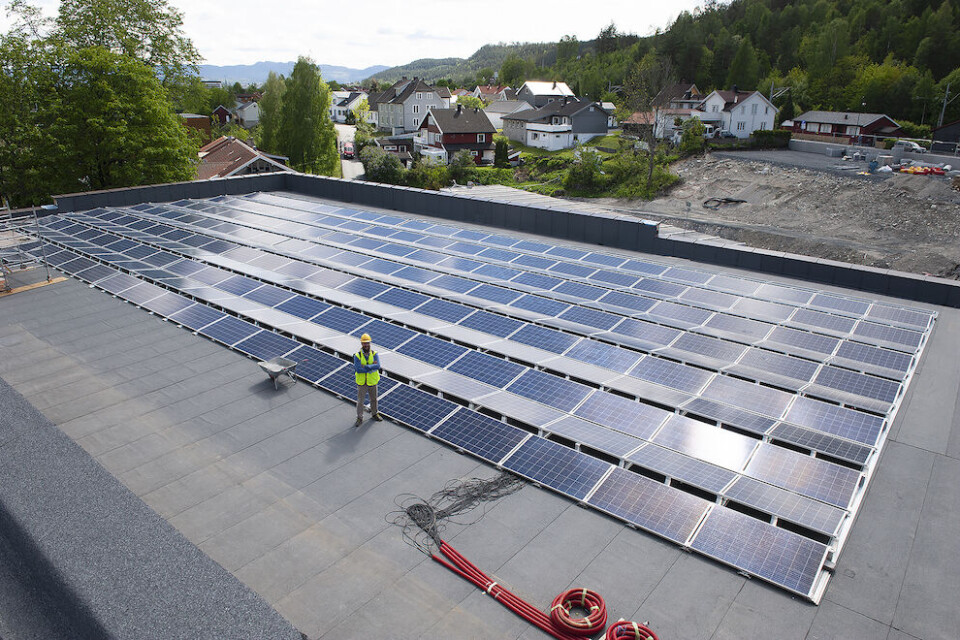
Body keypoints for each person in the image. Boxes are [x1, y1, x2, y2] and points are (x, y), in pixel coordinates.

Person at [354, 333, 383, 426]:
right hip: (362, 383)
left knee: (374, 399)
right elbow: (358, 369)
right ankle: (359, 418)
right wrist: (371, 367)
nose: (366, 345)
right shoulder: (357, 356)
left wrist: (366, 366)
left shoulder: (374, 354)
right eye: (364, 343)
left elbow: (378, 365)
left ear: (370, 343)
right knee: (360, 401)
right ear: (361, 344)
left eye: (367, 343)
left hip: (372, 382)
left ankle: (374, 414)